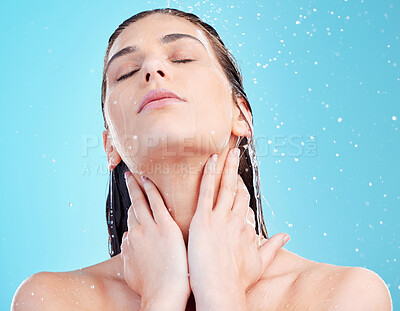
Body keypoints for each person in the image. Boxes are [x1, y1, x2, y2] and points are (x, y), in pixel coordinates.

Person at [12, 8, 392, 311]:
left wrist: (220, 292)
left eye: (183, 57)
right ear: (110, 146)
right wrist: (163, 294)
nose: (151, 70)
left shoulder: (344, 295)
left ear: (241, 115)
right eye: (125, 72)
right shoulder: (52, 300)